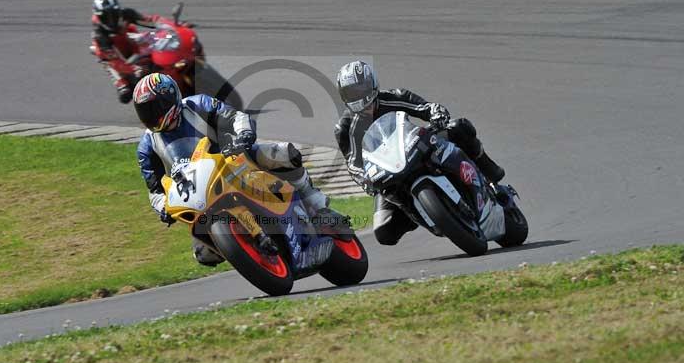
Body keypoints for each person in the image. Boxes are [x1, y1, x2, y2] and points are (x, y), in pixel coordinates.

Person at [134, 73, 331, 266]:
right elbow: (155, 191)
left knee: (283, 154)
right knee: (203, 254)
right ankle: (253, 257)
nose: (151, 115)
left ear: (170, 98)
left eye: (154, 107)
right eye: (145, 111)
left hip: (233, 160)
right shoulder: (146, 145)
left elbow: (235, 117)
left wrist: (243, 135)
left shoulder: (197, 105)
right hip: (197, 192)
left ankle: (314, 202)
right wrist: (163, 208)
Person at [334, 60, 506, 246]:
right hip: (387, 172)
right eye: (351, 93)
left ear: (373, 85)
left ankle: (490, 175)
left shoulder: (393, 97)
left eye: (361, 89)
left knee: (459, 127)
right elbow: (353, 164)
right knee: (384, 232)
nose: (358, 97)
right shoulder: (344, 129)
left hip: (416, 147)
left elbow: (426, 108)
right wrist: (365, 180)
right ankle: (420, 212)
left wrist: (436, 113)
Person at [91, 0, 161, 104]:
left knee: (160, 43)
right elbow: (116, 62)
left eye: (113, 14)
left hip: (131, 40)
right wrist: (134, 69)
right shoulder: (100, 36)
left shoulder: (126, 14)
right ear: (100, 17)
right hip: (115, 58)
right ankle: (123, 85)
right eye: (106, 17)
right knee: (125, 94)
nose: (111, 20)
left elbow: (150, 21)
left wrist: (172, 25)